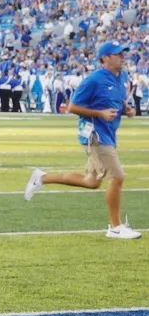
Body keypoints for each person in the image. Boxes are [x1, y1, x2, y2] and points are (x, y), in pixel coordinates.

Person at [24, 40, 140, 238]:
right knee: (118, 176)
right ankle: (115, 227)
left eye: (123, 53)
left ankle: (42, 177)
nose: (122, 57)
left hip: (109, 133)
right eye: (117, 54)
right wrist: (100, 113)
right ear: (105, 58)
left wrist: (127, 110)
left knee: (92, 181)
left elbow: (120, 101)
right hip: (95, 135)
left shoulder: (123, 77)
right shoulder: (93, 79)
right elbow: (72, 107)